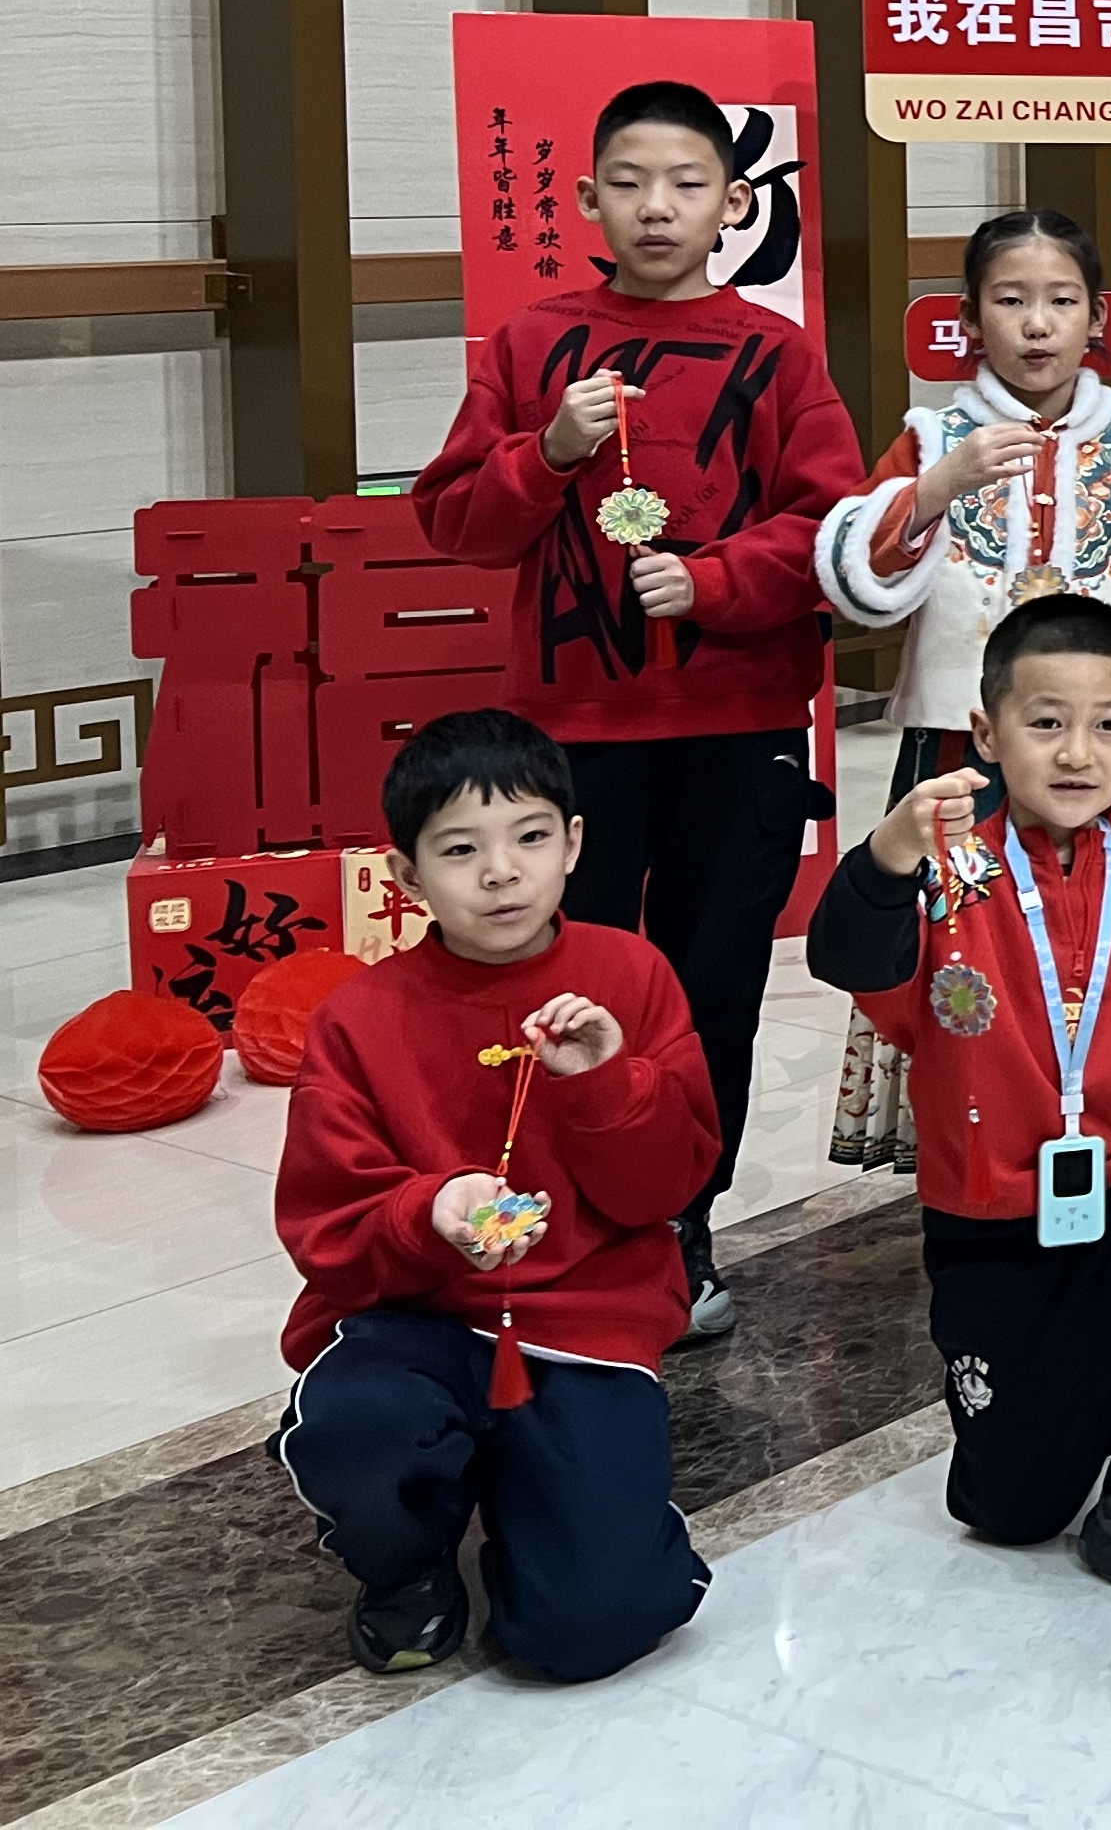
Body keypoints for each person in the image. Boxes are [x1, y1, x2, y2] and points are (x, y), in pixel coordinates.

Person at [411, 78, 862, 1343]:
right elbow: (454, 522)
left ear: (734, 204)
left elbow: (831, 529)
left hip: (738, 725)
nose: (657, 207)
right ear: (586, 199)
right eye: (630, 182)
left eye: (687, 184)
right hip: (573, 742)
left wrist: (713, 582)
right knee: (561, 984)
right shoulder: (532, 345)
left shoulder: (776, 351)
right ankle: (565, 1221)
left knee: (713, 993)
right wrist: (548, 450)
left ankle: (682, 1224)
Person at [801, 594, 1111, 1622]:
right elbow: (847, 955)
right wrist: (888, 855)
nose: (1077, 752)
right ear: (987, 734)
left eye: (1108, 724)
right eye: (1045, 722)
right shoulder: (942, 884)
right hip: (995, 1231)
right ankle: (1068, 1394)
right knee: (1012, 1510)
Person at [273, 709, 720, 1682]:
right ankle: (407, 1563)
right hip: (414, 1319)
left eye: (530, 837)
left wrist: (605, 1083)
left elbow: (665, 1189)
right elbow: (323, 1223)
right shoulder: (359, 1019)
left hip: (582, 1324)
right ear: (406, 875)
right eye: (460, 849)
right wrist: (426, 1212)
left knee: (588, 1629)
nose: (502, 873)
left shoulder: (630, 976)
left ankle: (557, 1510)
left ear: (574, 842)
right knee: (358, 1429)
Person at [813, 207, 1111, 1172]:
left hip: (1103, 761)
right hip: (962, 756)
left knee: (1107, 936)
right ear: (969, 318)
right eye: (1010, 302)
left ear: (1096, 317)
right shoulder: (932, 439)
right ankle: (964, 1136)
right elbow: (857, 585)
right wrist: (935, 489)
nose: (1038, 324)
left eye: (1062, 301)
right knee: (954, 937)